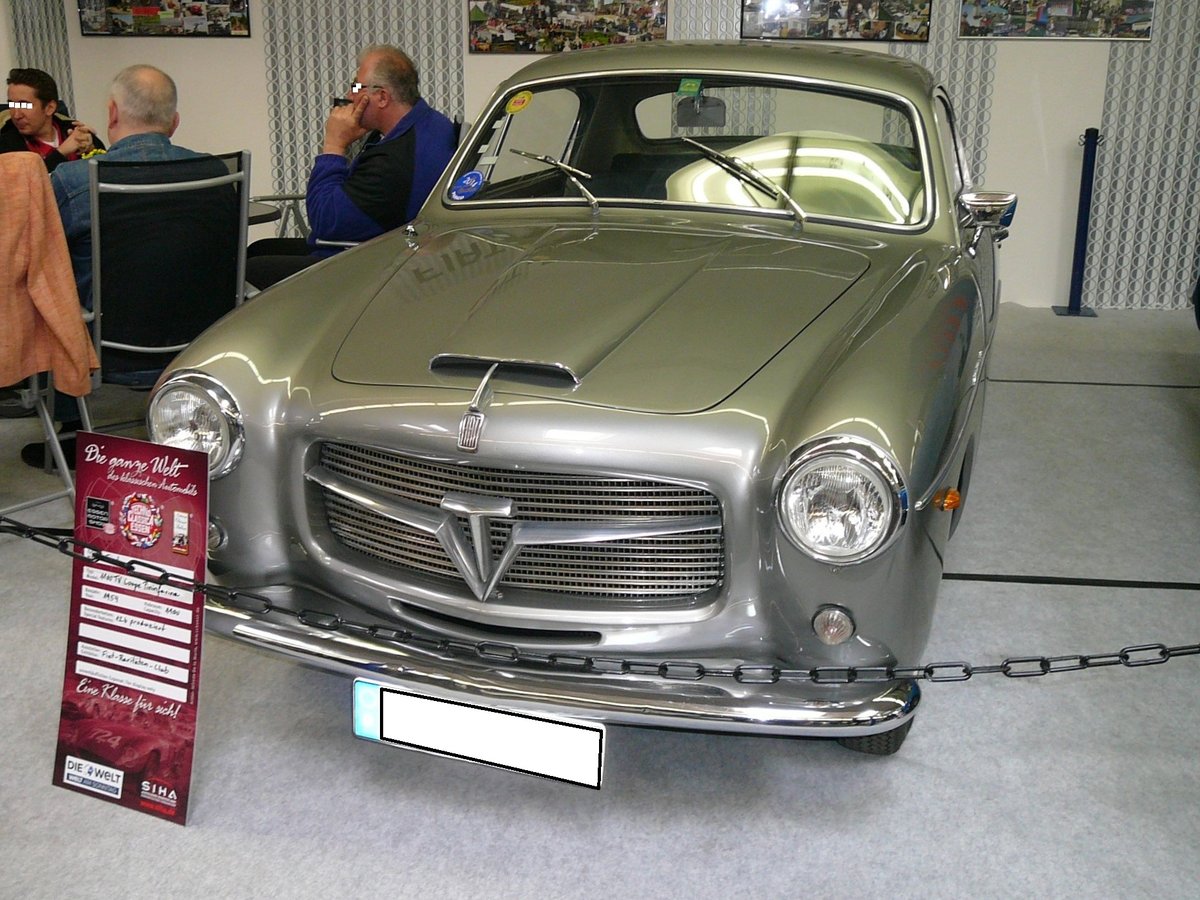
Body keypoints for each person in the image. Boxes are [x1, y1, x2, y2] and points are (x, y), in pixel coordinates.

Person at [22, 64, 216, 470]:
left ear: (112, 114)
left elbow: (35, 251)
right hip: (198, 342)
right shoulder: (215, 172)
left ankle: (72, 432)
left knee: (51, 290)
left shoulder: (72, 179)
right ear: (175, 122)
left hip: (105, 347)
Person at [246, 45, 456, 289]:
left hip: (370, 265)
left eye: (356, 87)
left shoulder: (393, 160)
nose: (349, 95)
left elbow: (325, 223)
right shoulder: (428, 124)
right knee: (259, 249)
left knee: (251, 270)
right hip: (384, 242)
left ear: (382, 97)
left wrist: (334, 145)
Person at [2, 68, 103, 172]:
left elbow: (107, 173)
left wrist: (92, 150)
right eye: (12, 104)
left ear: (50, 108)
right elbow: (28, 178)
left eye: (24, 105)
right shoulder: (5, 144)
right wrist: (61, 152)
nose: (16, 115)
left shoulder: (74, 132)